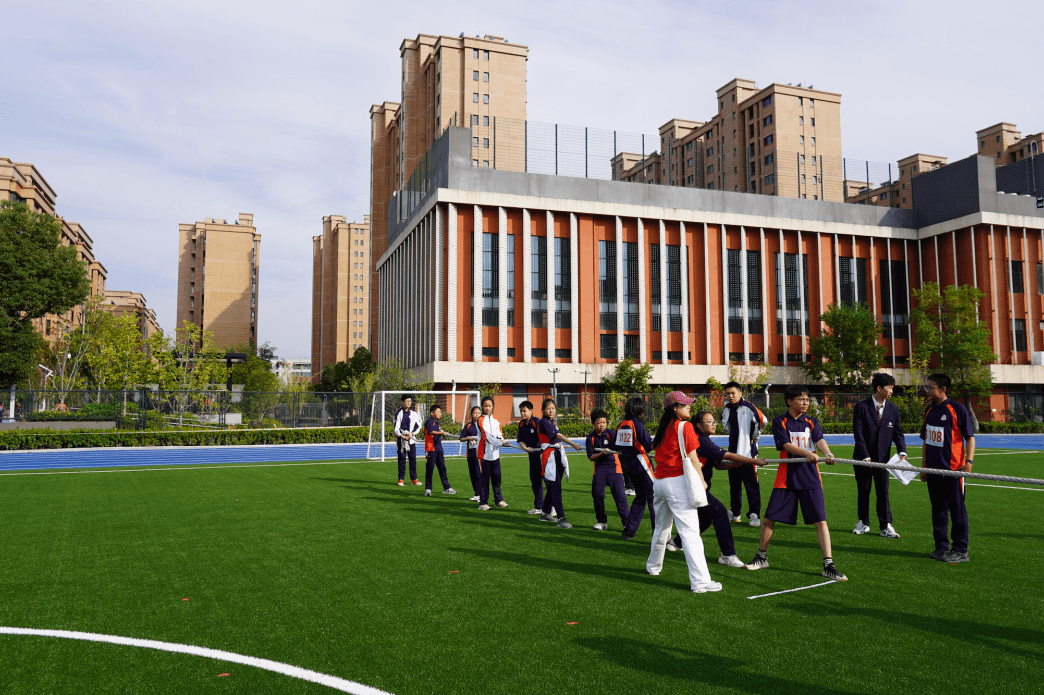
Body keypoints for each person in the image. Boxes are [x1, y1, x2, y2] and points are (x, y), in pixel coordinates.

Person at [744, 384, 847, 582]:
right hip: (786, 478)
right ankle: (761, 557)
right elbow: (785, 445)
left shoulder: (812, 421)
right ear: (790, 401)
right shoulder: (779, 421)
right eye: (801, 399)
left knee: (820, 520)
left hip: (811, 477)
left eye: (807, 399)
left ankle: (828, 565)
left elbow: (819, 440)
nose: (805, 402)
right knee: (769, 519)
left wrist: (827, 453)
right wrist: (807, 453)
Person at [646, 391, 721, 593]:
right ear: (674, 408)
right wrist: (702, 481)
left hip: (659, 482)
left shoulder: (664, 427)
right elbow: (693, 458)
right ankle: (700, 582)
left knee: (661, 528)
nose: (689, 406)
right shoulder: (685, 426)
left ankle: (653, 567)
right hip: (676, 483)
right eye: (684, 404)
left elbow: (653, 448)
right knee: (690, 534)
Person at [673, 411, 767, 567]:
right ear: (699, 426)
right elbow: (727, 455)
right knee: (720, 512)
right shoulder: (701, 440)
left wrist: (736, 464)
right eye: (709, 422)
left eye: (714, 421)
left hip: (694, 487)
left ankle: (676, 543)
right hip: (693, 488)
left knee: (706, 517)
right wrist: (752, 461)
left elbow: (715, 464)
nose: (713, 424)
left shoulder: (703, 440)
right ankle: (727, 555)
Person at [919, 373, 975, 563]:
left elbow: (970, 437)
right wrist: (923, 466)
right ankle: (941, 546)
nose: (926, 390)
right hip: (933, 472)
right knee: (938, 510)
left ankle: (960, 549)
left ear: (942, 389)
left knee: (957, 510)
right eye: (926, 387)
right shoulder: (928, 411)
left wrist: (969, 462)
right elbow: (926, 441)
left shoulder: (957, 409)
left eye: (930, 387)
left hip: (953, 472)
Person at [851, 372, 906, 538]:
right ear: (879, 388)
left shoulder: (893, 409)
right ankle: (863, 522)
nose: (891, 391)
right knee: (864, 490)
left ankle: (885, 525)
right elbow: (858, 434)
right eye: (889, 388)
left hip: (884, 461)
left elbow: (898, 432)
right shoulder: (861, 407)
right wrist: (865, 455)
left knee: (883, 492)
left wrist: (902, 450)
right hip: (863, 459)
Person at [721, 381, 768, 527]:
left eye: (733, 393)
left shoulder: (748, 407)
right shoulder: (727, 408)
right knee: (734, 486)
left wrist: (756, 435)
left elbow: (763, 420)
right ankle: (735, 513)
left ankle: (755, 515)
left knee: (751, 486)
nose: (730, 396)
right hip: (732, 454)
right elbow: (726, 427)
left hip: (748, 454)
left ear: (741, 393)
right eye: (728, 393)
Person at [537, 398, 584, 528]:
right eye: (548, 408)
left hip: (556, 455)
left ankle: (545, 512)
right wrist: (574, 444)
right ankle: (561, 518)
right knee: (556, 487)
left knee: (554, 487)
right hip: (549, 457)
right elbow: (557, 436)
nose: (551, 410)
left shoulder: (552, 422)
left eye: (553, 408)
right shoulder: (544, 422)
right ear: (543, 410)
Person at [616, 397, 656, 540]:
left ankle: (629, 530)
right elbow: (648, 446)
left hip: (629, 464)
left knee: (640, 497)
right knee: (654, 497)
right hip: (641, 461)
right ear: (639, 410)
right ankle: (657, 533)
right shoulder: (637, 425)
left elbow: (618, 446)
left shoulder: (621, 425)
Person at [586, 408, 630, 531]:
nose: (602, 425)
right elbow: (591, 457)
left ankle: (627, 523)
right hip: (599, 469)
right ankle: (602, 522)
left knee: (620, 496)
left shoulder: (611, 434)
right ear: (593, 423)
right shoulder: (590, 438)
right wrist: (602, 454)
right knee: (597, 494)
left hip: (614, 468)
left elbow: (620, 448)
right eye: (599, 423)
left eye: (604, 422)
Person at [476, 396, 507, 510]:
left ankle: (498, 500)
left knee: (497, 478)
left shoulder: (496, 419)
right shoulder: (480, 420)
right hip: (484, 455)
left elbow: (500, 433)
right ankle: (483, 502)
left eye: (489, 406)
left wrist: (502, 440)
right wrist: (499, 443)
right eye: (485, 406)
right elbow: (486, 436)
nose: (487, 408)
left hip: (495, 455)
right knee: (484, 480)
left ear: (492, 406)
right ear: (482, 407)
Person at [516, 400, 546, 515]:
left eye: (524, 411)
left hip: (542, 456)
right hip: (532, 457)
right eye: (521, 411)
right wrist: (525, 448)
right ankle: (539, 506)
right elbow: (520, 440)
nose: (522, 413)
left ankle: (551, 506)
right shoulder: (522, 424)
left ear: (531, 411)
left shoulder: (537, 422)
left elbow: (544, 438)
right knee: (535, 481)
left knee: (547, 482)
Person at [422, 405, 457, 497]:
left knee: (442, 468)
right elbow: (430, 432)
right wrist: (441, 432)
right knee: (430, 469)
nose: (439, 413)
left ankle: (446, 487)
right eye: (437, 412)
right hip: (431, 449)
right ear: (432, 413)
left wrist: (442, 431)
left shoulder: (438, 424)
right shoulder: (429, 421)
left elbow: (438, 431)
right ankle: (428, 488)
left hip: (439, 448)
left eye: (440, 412)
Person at [394, 395, 422, 486]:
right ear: (402, 402)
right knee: (401, 459)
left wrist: (412, 433)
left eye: (410, 401)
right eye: (407, 401)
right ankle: (401, 479)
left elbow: (419, 425)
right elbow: (396, 427)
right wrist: (402, 436)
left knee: (413, 459)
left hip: (411, 439)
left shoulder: (414, 412)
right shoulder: (399, 413)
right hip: (401, 439)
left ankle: (414, 479)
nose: (409, 403)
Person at [459, 406, 483, 501]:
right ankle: (477, 494)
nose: (476, 415)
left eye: (478, 413)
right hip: (471, 454)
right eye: (475, 413)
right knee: (472, 474)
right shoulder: (468, 426)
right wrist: (469, 438)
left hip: (480, 454)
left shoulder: (482, 425)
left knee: (478, 474)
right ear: (471, 414)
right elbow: (461, 438)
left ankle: (482, 494)